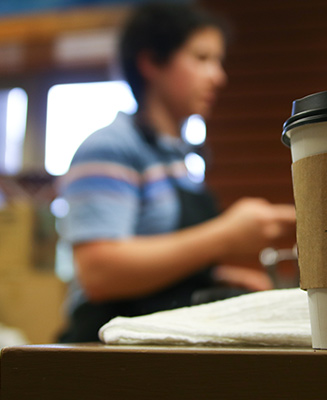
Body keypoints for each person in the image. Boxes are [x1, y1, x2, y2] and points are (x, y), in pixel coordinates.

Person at [56, 2, 296, 342]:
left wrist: (219, 274)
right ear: (151, 61)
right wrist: (224, 236)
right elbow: (99, 272)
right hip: (105, 347)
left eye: (218, 61)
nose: (218, 76)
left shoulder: (177, 158)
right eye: (202, 58)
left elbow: (160, 256)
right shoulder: (111, 147)